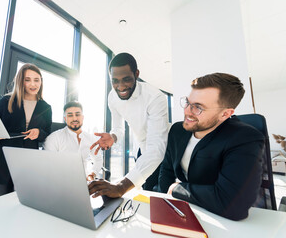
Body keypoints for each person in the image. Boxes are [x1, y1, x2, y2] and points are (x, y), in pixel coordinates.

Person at [158, 73, 264, 221]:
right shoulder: (178, 130)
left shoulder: (245, 138)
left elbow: (234, 206)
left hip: (218, 219)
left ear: (225, 114)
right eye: (188, 102)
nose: (187, 111)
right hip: (182, 210)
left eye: (198, 107)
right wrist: (166, 202)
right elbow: (167, 170)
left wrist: (178, 189)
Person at [89, 52, 169, 198]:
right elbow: (118, 128)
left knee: (160, 195)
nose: (120, 87)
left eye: (126, 79)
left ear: (136, 74)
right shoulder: (112, 97)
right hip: (140, 148)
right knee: (145, 191)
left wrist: (121, 187)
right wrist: (113, 136)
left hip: (164, 150)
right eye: (115, 81)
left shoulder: (155, 97)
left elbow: (156, 148)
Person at [0, 63, 52, 198]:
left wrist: (39, 133)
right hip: (1, 160)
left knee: (22, 205)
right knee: (0, 207)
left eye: (37, 80)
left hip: (27, 162)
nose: (33, 84)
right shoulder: (6, 101)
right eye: (27, 79)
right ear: (20, 81)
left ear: (41, 81)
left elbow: (47, 133)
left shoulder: (45, 107)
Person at [44, 101, 103, 181]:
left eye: (77, 114)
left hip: (85, 182)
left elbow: (98, 159)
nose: (74, 118)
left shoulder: (90, 138)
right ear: (65, 119)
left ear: (82, 117)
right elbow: (48, 165)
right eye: (70, 115)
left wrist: (92, 173)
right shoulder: (53, 138)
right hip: (60, 182)